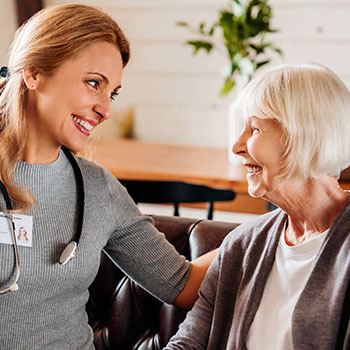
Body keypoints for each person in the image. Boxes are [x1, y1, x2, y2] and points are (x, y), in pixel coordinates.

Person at [0, 4, 216, 349]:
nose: (105, 109)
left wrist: (279, 225)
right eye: (93, 83)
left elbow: (183, 284)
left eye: (111, 92)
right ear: (35, 72)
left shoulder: (98, 188)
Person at [164, 63, 350, 349]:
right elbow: (188, 343)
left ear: (305, 136)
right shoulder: (242, 245)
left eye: (254, 129)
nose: (237, 146)